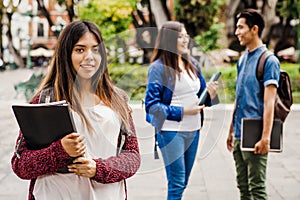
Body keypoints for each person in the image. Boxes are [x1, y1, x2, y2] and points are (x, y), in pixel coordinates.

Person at [11, 20, 140, 200]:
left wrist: (97, 169)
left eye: (95, 49)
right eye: (80, 50)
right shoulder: (45, 100)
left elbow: (132, 156)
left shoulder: (118, 100)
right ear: (66, 54)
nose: (90, 56)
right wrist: (61, 151)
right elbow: (21, 164)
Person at [144, 21, 219, 200]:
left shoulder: (192, 63)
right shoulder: (158, 68)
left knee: (183, 181)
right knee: (177, 182)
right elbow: (151, 105)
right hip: (170, 132)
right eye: (180, 36)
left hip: (193, 130)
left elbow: (201, 97)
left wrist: (210, 94)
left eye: (186, 36)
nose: (185, 40)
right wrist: (183, 111)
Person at [226, 9, 280, 200]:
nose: (237, 32)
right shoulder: (242, 60)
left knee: (257, 188)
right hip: (239, 133)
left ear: (254, 29)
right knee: (243, 187)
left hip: (255, 132)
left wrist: (265, 138)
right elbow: (239, 98)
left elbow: (269, 102)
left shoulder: (269, 61)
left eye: (241, 27)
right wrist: (231, 130)